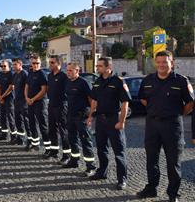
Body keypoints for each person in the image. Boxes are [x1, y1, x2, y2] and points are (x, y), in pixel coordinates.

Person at [137, 51, 194, 202]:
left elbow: (190, 103)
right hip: (152, 125)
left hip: (172, 126)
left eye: (165, 62)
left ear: (172, 63)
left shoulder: (181, 81)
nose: (161, 65)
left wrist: (177, 113)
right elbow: (143, 99)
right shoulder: (148, 80)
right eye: (159, 62)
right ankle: (151, 188)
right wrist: (153, 109)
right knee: (151, 159)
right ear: (155, 63)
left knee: (173, 162)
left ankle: (173, 193)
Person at [87, 57, 131, 190]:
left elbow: (125, 103)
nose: (97, 68)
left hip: (114, 119)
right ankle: (102, 172)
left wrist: (122, 122)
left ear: (108, 67)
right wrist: (90, 116)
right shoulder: (97, 81)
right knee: (101, 148)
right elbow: (94, 101)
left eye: (99, 66)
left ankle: (122, 179)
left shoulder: (118, 81)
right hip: (100, 119)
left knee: (119, 151)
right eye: (97, 65)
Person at [64, 62, 96, 176]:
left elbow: (92, 100)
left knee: (85, 140)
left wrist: (91, 116)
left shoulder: (83, 83)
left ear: (77, 71)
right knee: (72, 139)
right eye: (67, 70)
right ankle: (74, 160)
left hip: (82, 116)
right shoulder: (68, 82)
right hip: (70, 115)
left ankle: (90, 166)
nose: (68, 72)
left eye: (70, 70)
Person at [46, 55, 71, 161]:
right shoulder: (50, 75)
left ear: (58, 64)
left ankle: (66, 154)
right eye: (49, 62)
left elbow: (67, 92)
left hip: (61, 106)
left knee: (63, 130)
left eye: (52, 62)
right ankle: (54, 151)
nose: (50, 64)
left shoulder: (63, 76)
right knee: (52, 129)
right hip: (51, 105)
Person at [25, 54, 50, 152]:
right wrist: (27, 97)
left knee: (42, 125)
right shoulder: (30, 73)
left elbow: (44, 90)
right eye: (33, 63)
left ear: (40, 63)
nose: (35, 65)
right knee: (32, 124)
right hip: (30, 102)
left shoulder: (42, 74)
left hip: (39, 103)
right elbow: (26, 86)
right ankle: (35, 144)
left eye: (37, 63)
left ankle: (48, 148)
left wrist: (33, 99)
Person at [12, 58, 31, 147]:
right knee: (18, 120)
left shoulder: (25, 74)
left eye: (15, 64)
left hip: (24, 101)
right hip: (17, 100)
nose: (13, 66)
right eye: (13, 65)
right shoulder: (15, 75)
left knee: (26, 121)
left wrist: (27, 98)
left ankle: (30, 140)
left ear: (20, 65)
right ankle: (20, 138)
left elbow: (28, 87)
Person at [0, 60, 16, 141]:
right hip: (2, 98)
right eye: (2, 66)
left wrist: (2, 96)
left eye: (5, 66)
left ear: (9, 66)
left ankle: (13, 136)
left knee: (10, 117)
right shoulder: (1, 74)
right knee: (3, 117)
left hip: (9, 99)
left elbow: (11, 87)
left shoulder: (11, 74)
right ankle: (4, 134)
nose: (3, 68)